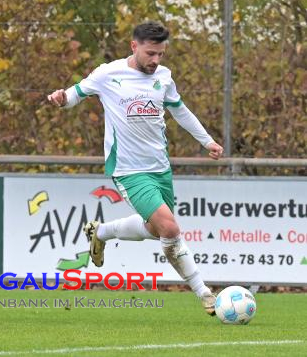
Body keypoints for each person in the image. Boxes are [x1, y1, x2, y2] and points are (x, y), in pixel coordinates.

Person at [47, 21, 223, 316]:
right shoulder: (108, 73)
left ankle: (101, 232)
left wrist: (207, 141)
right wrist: (61, 98)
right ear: (134, 46)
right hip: (129, 170)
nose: (155, 61)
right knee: (170, 227)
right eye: (150, 53)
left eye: (161, 55)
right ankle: (204, 291)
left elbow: (180, 110)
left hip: (160, 168)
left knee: (158, 231)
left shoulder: (164, 77)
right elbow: (74, 94)